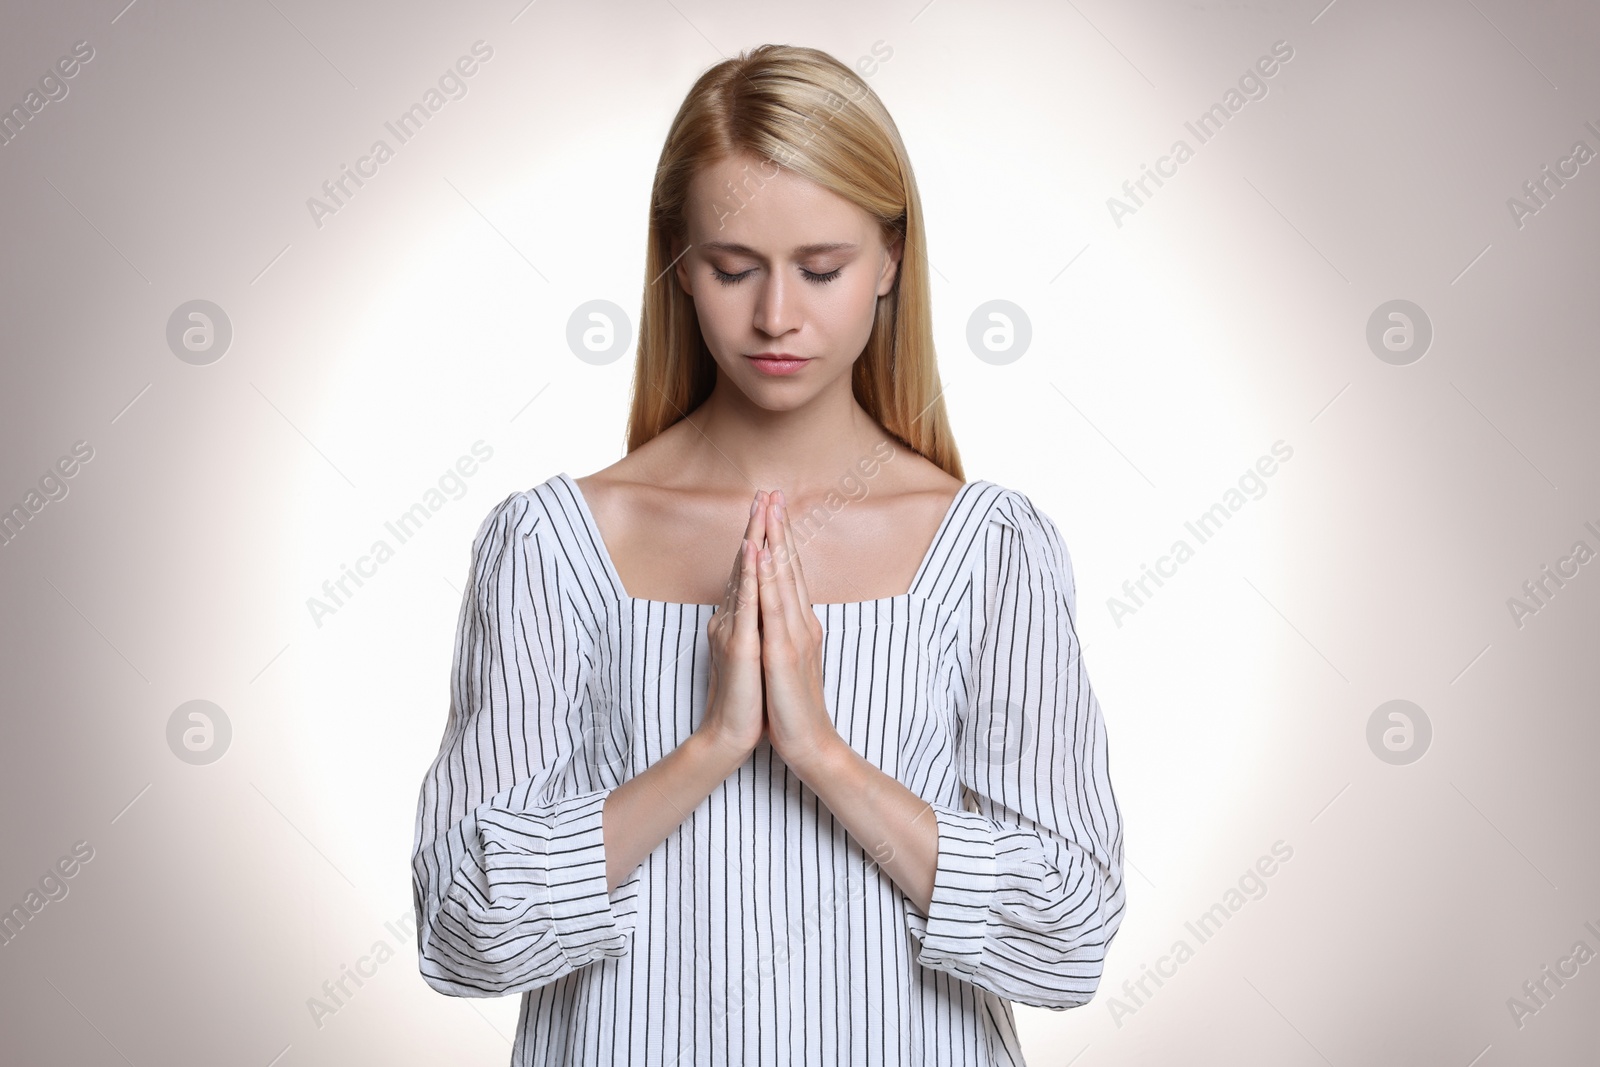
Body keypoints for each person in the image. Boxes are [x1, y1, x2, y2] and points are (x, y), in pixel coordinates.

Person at [410, 43, 1124, 1066]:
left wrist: (822, 755)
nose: (776, 315)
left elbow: (1069, 934)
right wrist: (708, 748)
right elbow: (461, 924)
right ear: (678, 265)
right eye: (732, 268)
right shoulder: (552, 546)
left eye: (820, 268)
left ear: (890, 263)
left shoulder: (991, 550)